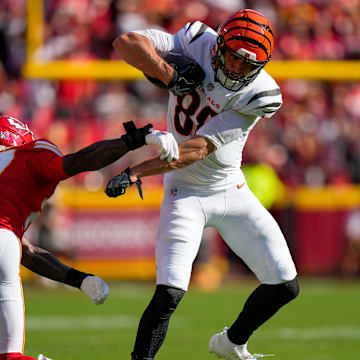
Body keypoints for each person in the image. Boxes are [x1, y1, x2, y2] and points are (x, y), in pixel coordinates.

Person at [107, 9, 299, 360]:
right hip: (185, 192)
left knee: (285, 285)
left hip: (229, 188)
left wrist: (137, 172)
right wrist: (169, 74)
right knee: (169, 293)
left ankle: (231, 343)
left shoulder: (261, 94)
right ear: (218, 45)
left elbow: (197, 148)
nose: (238, 70)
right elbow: (127, 42)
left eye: (247, 65)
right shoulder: (196, 40)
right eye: (233, 58)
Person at [0, 114, 179, 360]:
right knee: (10, 356)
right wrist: (135, 140)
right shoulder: (29, 155)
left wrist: (78, 279)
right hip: (4, 237)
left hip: (6, 239)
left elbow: (26, 252)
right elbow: (79, 162)